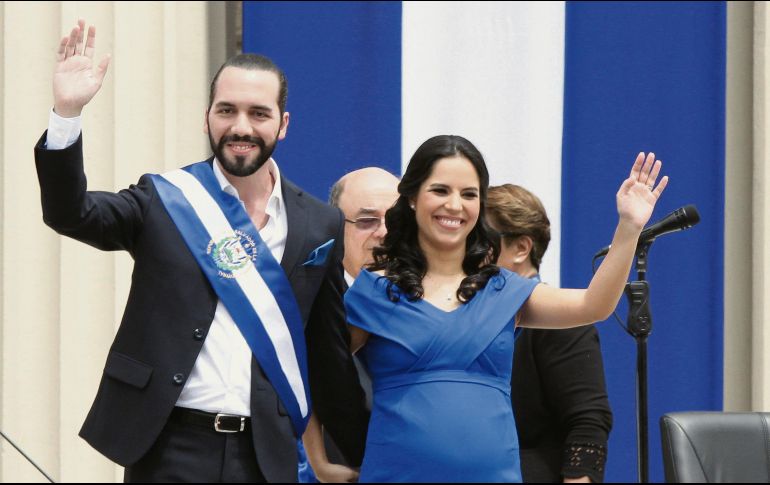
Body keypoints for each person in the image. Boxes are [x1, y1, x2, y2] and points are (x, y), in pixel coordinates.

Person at [34, 20, 367, 482]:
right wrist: (67, 113)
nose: (241, 127)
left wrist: (366, 454)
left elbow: (328, 355)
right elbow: (70, 213)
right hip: (167, 445)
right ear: (207, 117)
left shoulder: (318, 224)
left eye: (259, 113)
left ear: (283, 124)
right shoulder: (164, 200)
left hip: (264, 454)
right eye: (226, 110)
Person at [326, 134, 667, 482]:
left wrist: (629, 227)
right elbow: (313, 376)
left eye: (469, 194)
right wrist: (319, 463)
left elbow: (593, 305)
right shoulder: (375, 292)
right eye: (441, 190)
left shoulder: (503, 290)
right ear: (412, 198)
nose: (455, 206)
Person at [486, 184, 613, 483]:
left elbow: (588, 422)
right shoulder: (471, 317)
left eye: (481, 239)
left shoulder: (558, 324)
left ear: (520, 248)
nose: (468, 249)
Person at [307, 168, 399, 476]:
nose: (384, 232)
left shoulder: (435, 300)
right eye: (366, 221)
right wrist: (319, 464)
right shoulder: (308, 300)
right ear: (334, 227)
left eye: (396, 220)